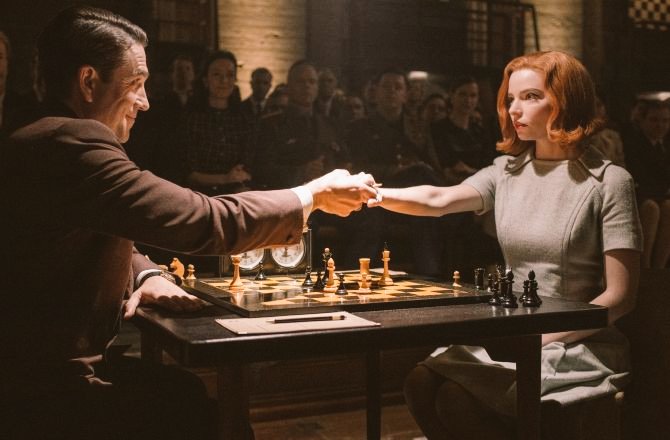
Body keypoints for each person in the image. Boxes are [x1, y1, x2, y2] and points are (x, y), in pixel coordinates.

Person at [0, 6, 376, 440]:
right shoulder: (73, 142)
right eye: (136, 84)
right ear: (88, 81)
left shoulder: (40, 133)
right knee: (207, 417)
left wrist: (146, 274)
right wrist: (312, 195)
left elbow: (97, 228)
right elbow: (204, 219)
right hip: (40, 389)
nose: (145, 101)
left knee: (189, 396)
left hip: (35, 372)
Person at [368, 51, 642, 439]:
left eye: (530, 97)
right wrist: (373, 194)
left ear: (566, 101)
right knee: (420, 381)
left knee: (456, 399)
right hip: (515, 333)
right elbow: (439, 199)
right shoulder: (507, 171)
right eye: (511, 98)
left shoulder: (610, 182)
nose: (514, 109)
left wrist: (538, 338)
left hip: (577, 344)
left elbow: (621, 298)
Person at [180, 50, 256, 195]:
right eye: (217, 74)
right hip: (197, 195)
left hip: (235, 193)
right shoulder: (191, 118)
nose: (224, 80)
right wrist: (224, 179)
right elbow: (188, 172)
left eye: (230, 75)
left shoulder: (244, 119)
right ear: (205, 80)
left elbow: (247, 166)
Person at [623, 98, 670, 269]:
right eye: (654, 120)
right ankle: (645, 267)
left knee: (669, 207)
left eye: (665, 121)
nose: (660, 125)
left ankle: (659, 268)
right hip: (639, 194)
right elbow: (638, 177)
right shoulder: (633, 144)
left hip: (659, 195)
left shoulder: (665, 145)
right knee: (651, 208)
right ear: (642, 121)